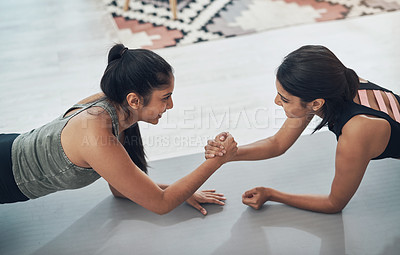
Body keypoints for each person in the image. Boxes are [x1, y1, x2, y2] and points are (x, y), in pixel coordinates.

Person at [0, 44, 238, 216]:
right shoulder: (96, 134)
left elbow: (121, 190)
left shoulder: (116, 107)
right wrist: (217, 160)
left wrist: (182, 190)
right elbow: (161, 204)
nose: (171, 105)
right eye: (165, 97)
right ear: (134, 100)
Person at [205, 45, 400, 214]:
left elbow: (334, 203)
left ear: (316, 103)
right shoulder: (336, 85)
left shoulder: (358, 131)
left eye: (284, 99)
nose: (276, 102)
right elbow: (277, 144)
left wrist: (272, 194)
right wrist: (229, 154)